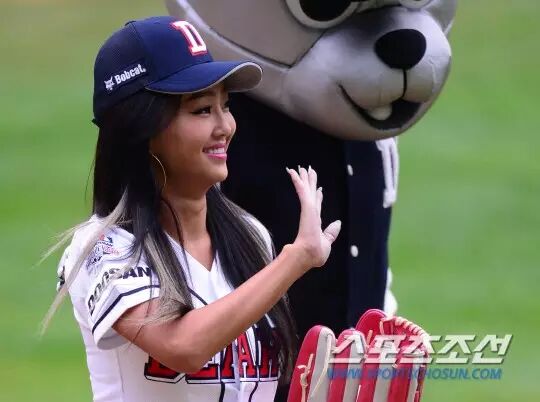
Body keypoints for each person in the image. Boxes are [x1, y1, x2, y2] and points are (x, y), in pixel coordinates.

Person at [46, 16, 341, 402]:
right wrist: (297, 259)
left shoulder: (249, 236)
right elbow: (183, 347)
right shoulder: (103, 248)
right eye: (202, 110)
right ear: (143, 127)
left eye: (226, 106)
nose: (225, 127)